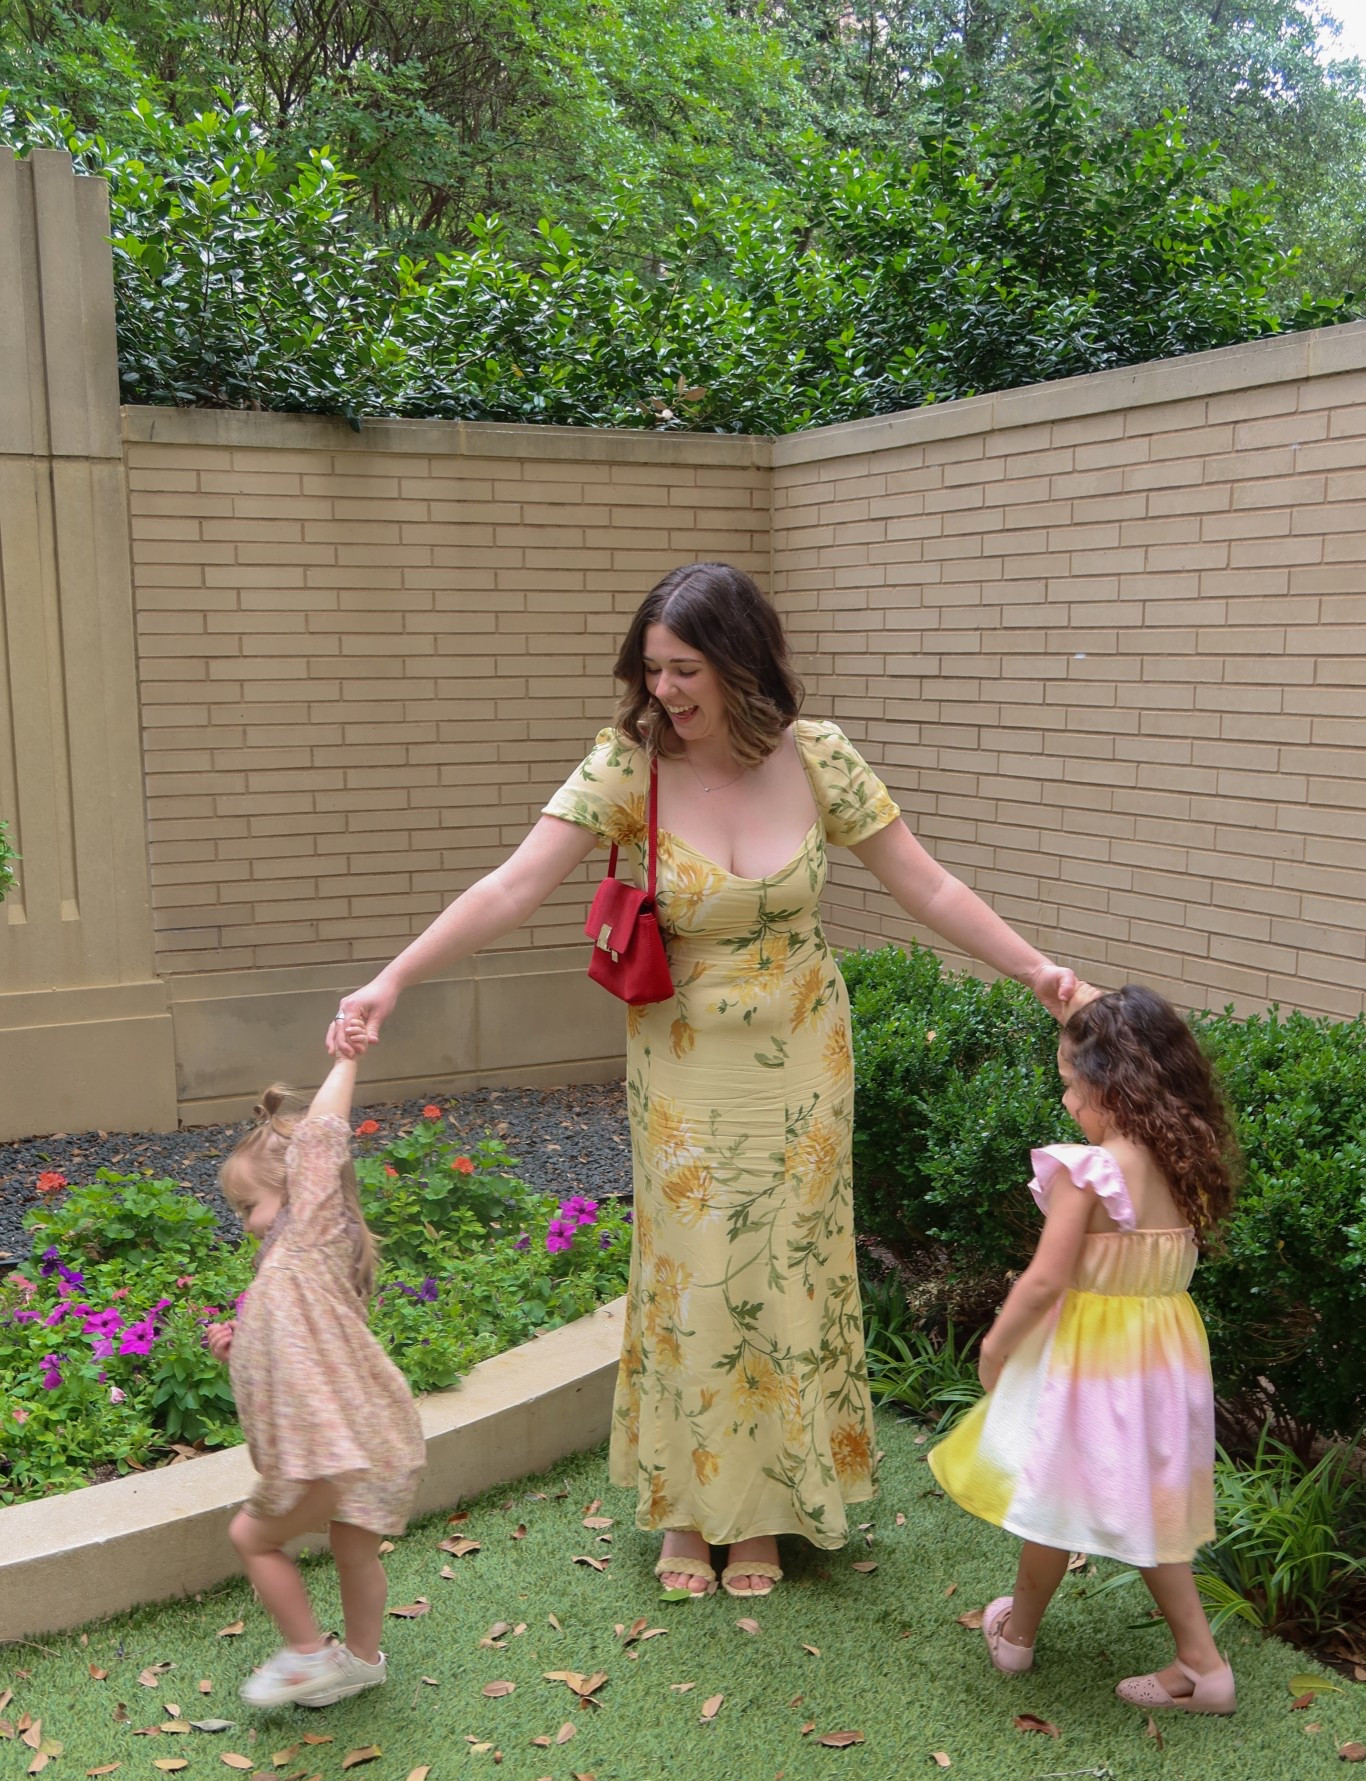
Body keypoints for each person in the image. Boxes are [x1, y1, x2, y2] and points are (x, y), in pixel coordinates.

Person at [327, 561, 1088, 1599]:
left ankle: (768, 1508)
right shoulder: (624, 765)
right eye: (653, 668)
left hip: (806, 1054)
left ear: (739, 660)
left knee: (786, 1262)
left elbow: (926, 880)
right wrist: (393, 977)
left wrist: (1036, 969)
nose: (667, 690)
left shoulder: (819, 758)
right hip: (682, 1057)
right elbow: (511, 883)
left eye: (686, 667)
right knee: (690, 1267)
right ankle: (688, 1508)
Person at [929, 984, 1239, 1713]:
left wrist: (996, 1347)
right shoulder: (1185, 1161)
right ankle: (1023, 1634)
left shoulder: (1090, 1171)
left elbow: (1044, 1280)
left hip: (1093, 1363)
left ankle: (1201, 1663)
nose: (1068, 1103)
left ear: (1112, 1084)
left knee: (1054, 1485)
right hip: (1165, 1357)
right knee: (1101, 1498)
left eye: (1072, 1086)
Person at [206, 1039, 426, 1708]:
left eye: (249, 1207)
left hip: (341, 1448)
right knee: (352, 1549)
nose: (245, 1224)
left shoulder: (310, 1232)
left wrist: (348, 1057)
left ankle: (306, 1655)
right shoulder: (299, 1269)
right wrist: (238, 1346)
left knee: (252, 1536)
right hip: (371, 1438)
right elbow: (295, 1351)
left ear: (299, 1189)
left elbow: (322, 1136)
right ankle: (361, 1660)